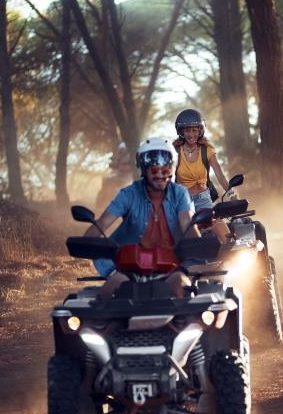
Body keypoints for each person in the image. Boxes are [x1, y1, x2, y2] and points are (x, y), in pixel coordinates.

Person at [91, 136, 198, 300]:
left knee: (183, 290)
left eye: (166, 170)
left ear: (172, 169)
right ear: (144, 169)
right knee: (106, 295)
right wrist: (86, 242)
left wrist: (198, 243)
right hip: (129, 268)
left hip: (172, 267)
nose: (160, 175)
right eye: (154, 170)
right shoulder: (128, 194)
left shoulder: (180, 193)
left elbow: (187, 223)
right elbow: (102, 223)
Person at [172, 108, 237, 210]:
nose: (191, 134)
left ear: (200, 131)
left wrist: (232, 195)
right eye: (187, 130)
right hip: (182, 201)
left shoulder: (207, 151)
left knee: (217, 225)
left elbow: (220, 176)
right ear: (181, 131)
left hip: (203, 200)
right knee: (184, 226)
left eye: (194, 130)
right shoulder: (175, 152)